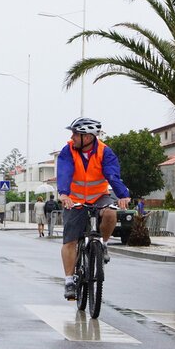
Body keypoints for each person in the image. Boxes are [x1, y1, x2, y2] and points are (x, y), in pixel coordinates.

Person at [56, 117, 130, 301]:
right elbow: (64, 172)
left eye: (75, 134)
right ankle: (69, 281)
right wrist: (64, 194)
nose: (72, 137)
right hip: (74, 199)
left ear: (87, 137)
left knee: (111, 213)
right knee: (70, 240)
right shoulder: (68, 150)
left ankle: (103, 245)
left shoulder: (105, 152)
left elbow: (112, 175)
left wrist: (123, 195)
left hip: (98, 196)